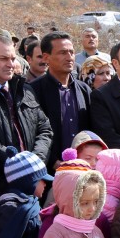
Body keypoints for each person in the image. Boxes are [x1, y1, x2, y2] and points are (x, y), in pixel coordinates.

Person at [0, 35, 55, 194]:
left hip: (34, 182)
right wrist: (17, 166)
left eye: (13, 58)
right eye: (3, 58)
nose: (10, 64)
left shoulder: (24, 89)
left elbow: (44, 128)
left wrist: (34, 163)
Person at [31, 32, 94, 172]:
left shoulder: (84, 90)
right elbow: (32, 133)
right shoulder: (33, 91)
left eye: (71, 52)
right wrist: (53, 162)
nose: (69, 57)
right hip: (49, 172)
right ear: (46, 57)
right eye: (63, 53)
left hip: (83, 170)